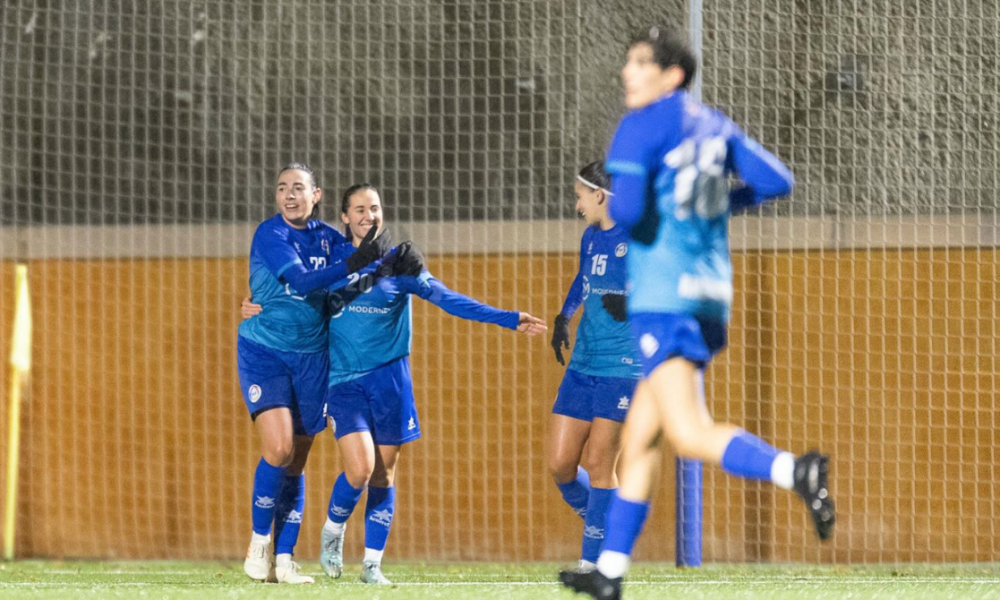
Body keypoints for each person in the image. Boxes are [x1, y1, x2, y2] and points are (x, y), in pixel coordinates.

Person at [559, 28, 835, 600]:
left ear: (672, 75)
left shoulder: (640, 126)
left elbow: (630, 210)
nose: (627, 73)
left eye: (640, 64)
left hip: (663, 298)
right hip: (709, 294)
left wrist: (648, 212)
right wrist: (715, 204)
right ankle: (608, 573)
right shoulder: (713, 125)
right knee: (641, 438)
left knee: (689, 432)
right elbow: (776, 180)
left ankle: (796, 471)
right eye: (628, 62)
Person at [243, 183, 546, 585]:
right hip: (343, 384)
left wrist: (508, 317)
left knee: (384, 473)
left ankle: (371, 565)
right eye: (359, 209)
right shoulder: (333, 259)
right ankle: (332, 530)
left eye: (375, 208)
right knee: (360, 468)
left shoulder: (402, 264)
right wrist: (253, 303)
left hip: (391, 382)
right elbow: (294, 286)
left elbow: (446, 298)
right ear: (345, 218)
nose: (368, 215)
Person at [237, 163, 411, 584]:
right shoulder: (271, 234)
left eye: (298, 188)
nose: (288, 195)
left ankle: (284, 559)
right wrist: (356, 259)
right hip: (267, 352)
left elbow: (360, 266)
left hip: (314, 359)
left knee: (296, 462)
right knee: (277, 450)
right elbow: (300, 282)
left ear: (317, 196)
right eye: (282, 188)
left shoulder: (330, 240)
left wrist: (396, 260)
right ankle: (259, 541)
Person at [548, 161, 640, 572]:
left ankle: (594, 564)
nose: (576, 203)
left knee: (601, 465)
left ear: (599, 195)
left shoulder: (638, 236)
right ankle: (602, 524)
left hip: (623, 366)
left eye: (580, 194)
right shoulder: (590, 237)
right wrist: (564, 317)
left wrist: (633, 303)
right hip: (583, 363)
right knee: (561, 465)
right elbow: (586, 279)